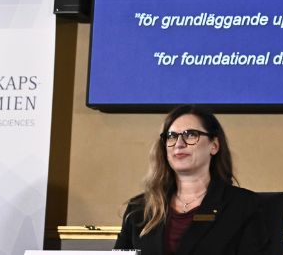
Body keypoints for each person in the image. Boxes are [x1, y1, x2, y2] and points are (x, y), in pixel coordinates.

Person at [114, 105, 270, 254]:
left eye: (190, 135)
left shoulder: (243, 206)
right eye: (171, 136)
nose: (179, 144)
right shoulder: (139, 209)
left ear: (214, 145)